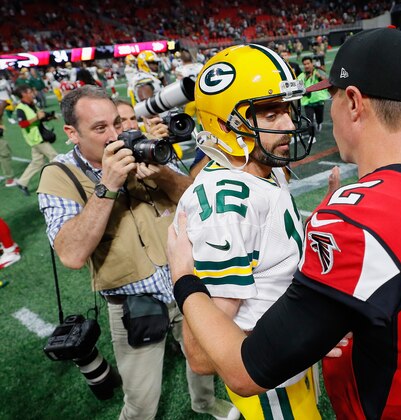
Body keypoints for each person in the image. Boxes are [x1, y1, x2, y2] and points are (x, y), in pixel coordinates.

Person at [167, 28, 401, 419]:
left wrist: (182, 278)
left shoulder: (357, 221)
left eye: (331, 95)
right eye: (273, 111)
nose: (291, 122)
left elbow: (243, 370)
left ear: (352, 102)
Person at [37, 85, 238, 420]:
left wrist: (160, 172)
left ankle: (203, 402)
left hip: (184, 282)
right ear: (72, 133)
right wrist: (107, 185)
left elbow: (194, 200)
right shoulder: (58, 176)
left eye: (119, 123)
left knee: (204, 361)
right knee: (142, 401)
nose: (117, 135)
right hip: (134, 301)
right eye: (101, 129)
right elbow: (71, 254)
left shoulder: (143, 146)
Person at [176, 44, 320, 418]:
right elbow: (203, 356)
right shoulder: (226, 207)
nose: (289, 124)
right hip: (270, 385)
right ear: (224, 125)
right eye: (271, 113)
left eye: (287, 110)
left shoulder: (260, 168)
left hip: (287, 361)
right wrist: (303, 335)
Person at [13, 84, 59, 196]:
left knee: (37, 162)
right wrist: (36, 118)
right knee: (55, 158)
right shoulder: (20, 108)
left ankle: (22, 182)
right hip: (36, 138)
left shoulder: (31, 104)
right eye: (30, 91)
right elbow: (22, 124)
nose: (32, 93)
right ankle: (61, 182)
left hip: (39, 136)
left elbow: (41, 115)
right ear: (24, 94)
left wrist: (50, 116)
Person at [298, 56, 330, 132]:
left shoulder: (319, 72)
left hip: (319, 100)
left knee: (319, 118)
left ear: (312, 64)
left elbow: (328, 82)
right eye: (304, 64)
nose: (306, 66)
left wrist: (320, 77)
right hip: (308, 102)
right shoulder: (301, 76)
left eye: (308, 63)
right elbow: (299, 89)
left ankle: (319, 123)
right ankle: (311, 136)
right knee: (310, 121)